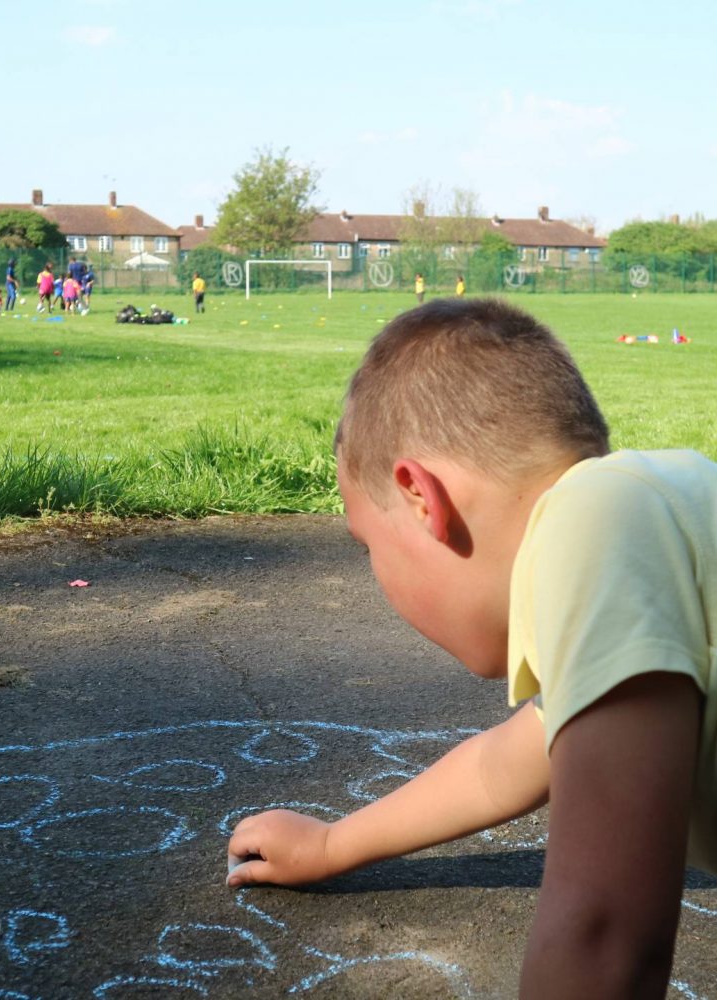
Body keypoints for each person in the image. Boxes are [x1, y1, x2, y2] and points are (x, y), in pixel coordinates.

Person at [226, 297, 717, 997]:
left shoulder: (597, 525)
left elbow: (604, 934)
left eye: (369, 545)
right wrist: (334, 844)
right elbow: (502, 768)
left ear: (421, 497)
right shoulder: (650, 518)